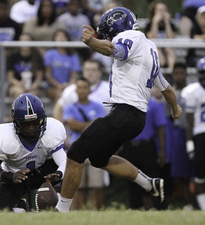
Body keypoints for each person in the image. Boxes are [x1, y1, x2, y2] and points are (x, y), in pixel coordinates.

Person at [55, 6, 182, 213]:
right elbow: (166, 88)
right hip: (136, 118)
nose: (109, 37)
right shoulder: (149, 49)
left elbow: (116, 50)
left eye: (109, 33)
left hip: (125, 112)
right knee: (99, 159)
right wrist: (175, 109)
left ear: (117, 27)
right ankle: (149, 184)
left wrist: (92, 42)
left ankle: (61, 210)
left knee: (75, 154)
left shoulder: (129, 37)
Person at [0, 93, 67, 211]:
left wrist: (59, 174)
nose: (32, 128)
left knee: (72, 166)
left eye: (35, 123)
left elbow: (64, 161)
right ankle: (21, 209)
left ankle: (64, 206)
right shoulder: (6, 139)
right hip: (15, 177)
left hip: (42, 174)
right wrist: (10, 176)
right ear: (16, 123)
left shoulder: (51, 132)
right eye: (26, 124)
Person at [63, 77, 106, 210]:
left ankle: (96, 213)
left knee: (97, 186)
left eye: (84, 87)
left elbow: (101, 126)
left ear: (89, 90)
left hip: (94, 150)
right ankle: (80, 213)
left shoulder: (98, 106)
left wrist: (80, 125)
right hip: (77, 150)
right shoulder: (70, 107)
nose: (82, 90)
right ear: (76, 89)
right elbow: (71, 124)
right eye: (79, 87)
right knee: (78, 187)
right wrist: (91, 125)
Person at [119, 95, 167, 210]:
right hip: (129, 145)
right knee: (132, 177)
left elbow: (161, 128)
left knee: (152, 176)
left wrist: (162, 150)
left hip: (147, 146)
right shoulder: (123, 105)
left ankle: (160, 207)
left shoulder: (153, 104)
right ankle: (135, 207)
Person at [181, 56, 205, 211]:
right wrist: (189, 143)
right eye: (204, 72)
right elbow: (189, 120)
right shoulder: (192, 91)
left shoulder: (192, 90)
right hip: (200, 134)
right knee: (199, 174)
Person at [165, 62, 194, 210]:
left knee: (198, 169)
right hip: (178, 132)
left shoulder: (193, 91)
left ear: (186, 74)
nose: (179, 76)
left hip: (194, 132)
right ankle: (187, 203)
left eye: (181, 73)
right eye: (176, 73)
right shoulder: (171, 92)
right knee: (181, 172)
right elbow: (168, 118)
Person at [44, 29, 81, 103]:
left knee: (68, 94)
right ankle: (58, 114)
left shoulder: (73, 56)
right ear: (54, 39)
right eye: (58, 36)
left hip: (68, 87)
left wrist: (68, 87)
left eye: (64, 36)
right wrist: (58, 85)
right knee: (60, 93)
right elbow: (48, 74)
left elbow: (74, 76)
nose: (61, 38)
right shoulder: (49, 54)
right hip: (52, 87)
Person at [7, 33, 44, 99]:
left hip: (32, 86)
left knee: (31, 95)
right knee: (19, 92)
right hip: (16, 85)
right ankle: (16, 109)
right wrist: (18, 83)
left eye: (27, 40)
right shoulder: (13, 56)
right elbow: (10, 77)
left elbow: (39, 77)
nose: (25, 42)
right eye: (22, 40)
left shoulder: (36, 56)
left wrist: (33, 85)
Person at [144, 0, 176, 70]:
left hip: (167, 50)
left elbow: (171, 38)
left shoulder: (170, 25)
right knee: (156, 50)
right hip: (155, 50)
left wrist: (167, 22)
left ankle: (171, 71)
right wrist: (155, 22)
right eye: (159, 10)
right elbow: (152, 37)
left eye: (164, 10)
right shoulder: (149, 25)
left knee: (169, 49)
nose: (162, 12)